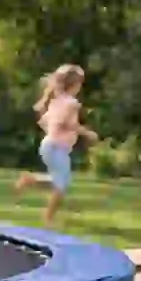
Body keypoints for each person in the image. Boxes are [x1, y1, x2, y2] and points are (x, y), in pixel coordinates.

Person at [16, 64, 99, 226]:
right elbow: (69, 124)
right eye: (80, 84)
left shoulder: (56, 101)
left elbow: (45, 122)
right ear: (75, 85)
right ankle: (48, 218)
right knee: (61, 186)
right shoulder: (71, 103)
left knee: (58, 182)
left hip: (49, 146)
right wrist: (88, 133)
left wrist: (52, 132)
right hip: (56, 148)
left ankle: (29, 180)